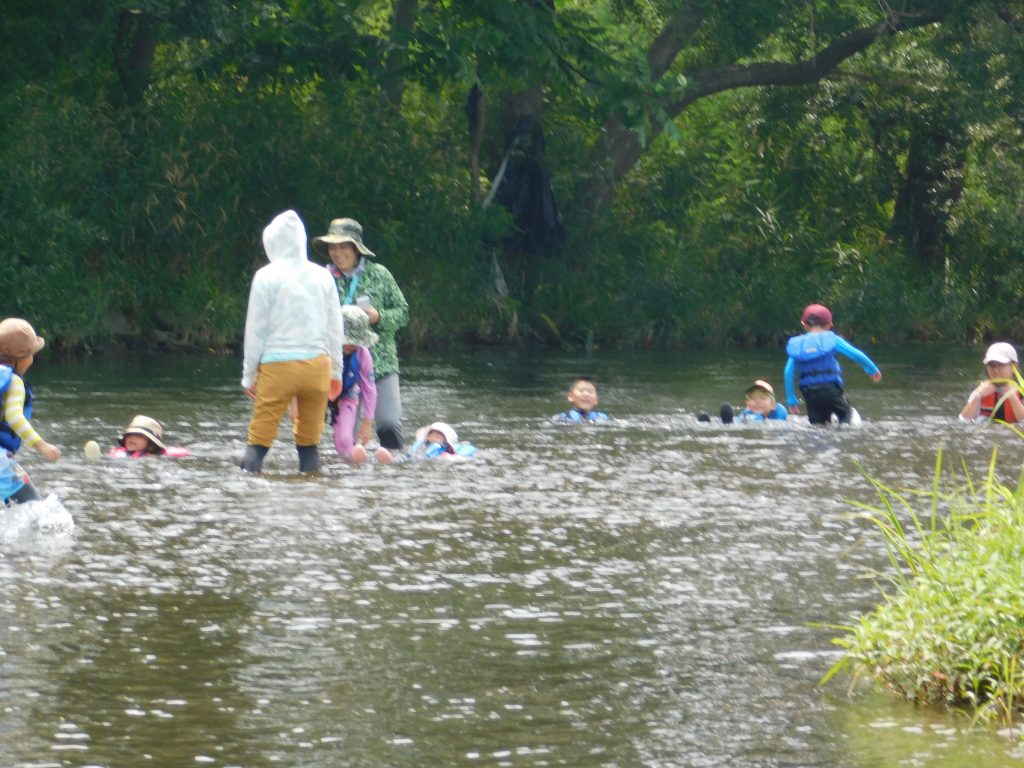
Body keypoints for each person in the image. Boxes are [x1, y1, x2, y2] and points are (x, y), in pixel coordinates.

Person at [240, 210, 344, 473]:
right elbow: (335, 328)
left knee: (259, 440)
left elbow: (256, 330)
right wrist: (337, 372)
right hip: (317, 367)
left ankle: (244, 490)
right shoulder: (324, 276)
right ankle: (311, 495)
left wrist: (249, 374)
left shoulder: (265, 276)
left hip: (278, 368)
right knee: (309, 443)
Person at [313, 218, 409, 451]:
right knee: (345, 435)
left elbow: (404, 313)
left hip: (381, 363)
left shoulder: (380, 274)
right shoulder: (322, 279)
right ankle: (351, 479)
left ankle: (394, 475)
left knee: (388, 425)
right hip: (340, 368)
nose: (337, 253)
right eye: (333, 248)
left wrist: (379, 317)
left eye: (343, 247)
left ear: (356, 248)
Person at [784, 303, 882, 425]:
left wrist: (791, 399)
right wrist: (872, 369)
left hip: (809, 394)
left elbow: (788, 371)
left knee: (818, 425)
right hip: (831, 391)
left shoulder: (798, 346)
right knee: (848, 417)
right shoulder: (833, 339)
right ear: (829, 325)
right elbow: (857, 355)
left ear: (804, 325)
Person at [0, 318, 60, 503]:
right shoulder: (15, 381)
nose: (32, 360)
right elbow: (14, 417)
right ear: (21, 358)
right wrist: (42, 445)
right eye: (32, 354)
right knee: (35, 509)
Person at [329, 306, 394, 464]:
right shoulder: (324, 348)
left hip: (346, 395)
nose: (351, 345)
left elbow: (369, 389)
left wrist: (367, 422)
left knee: (344, 439)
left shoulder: (363, 354)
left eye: (355, 341)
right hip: (319, 393)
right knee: (308, 435)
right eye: (348, 340)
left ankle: (353, 461)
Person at [959, 342, 1024, 423]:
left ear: (1013, 366)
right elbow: (963, 421)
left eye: (1000, 364)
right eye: (991, 365)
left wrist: (1012, 397)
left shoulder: (1022, 392)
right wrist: (977, 396)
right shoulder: (981, 391)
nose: (995, 370)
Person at [108, 415, 191, 458]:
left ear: (151, 443)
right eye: (129, 435)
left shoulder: (155, 457)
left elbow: (184, 453)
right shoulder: (117, 453)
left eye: (139, 436)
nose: (132, 438)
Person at [714, 380, 789, 424]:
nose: (757, 402)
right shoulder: (747, 412)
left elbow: (776, 424)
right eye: (753, 398)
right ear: (748, 404)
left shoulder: (780, 412)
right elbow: (738, 420)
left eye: (762, 398)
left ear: (773, 405)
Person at [409, 422, 477, 460]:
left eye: (438, 436)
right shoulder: (421, 447)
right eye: (430, 434)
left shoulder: (445, 453)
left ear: (447, 442)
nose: (434, 438)